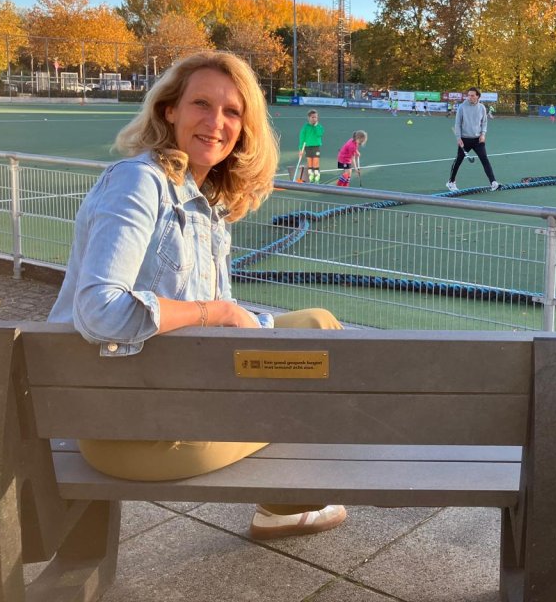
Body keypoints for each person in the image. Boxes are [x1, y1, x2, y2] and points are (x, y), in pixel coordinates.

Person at [47, 51, 347, 539]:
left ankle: (284, 504)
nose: (216, 122)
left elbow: (216, 329)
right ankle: (297, 499)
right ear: (170, 110)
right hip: (131, 433)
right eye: (201, 104)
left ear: (245, 127)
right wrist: (221, 310)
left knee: (317, 325)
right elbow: (100, 310)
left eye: (233, 112)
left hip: (171, 398)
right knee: (317, 402)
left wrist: (250, 323)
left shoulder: (206, 203)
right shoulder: (138, 182)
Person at [446, 87, 499, 192]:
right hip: (465, 139)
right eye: (468, 95)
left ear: (477, 96)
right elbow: (457, 124)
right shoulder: (462, 107)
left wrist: (483, 134)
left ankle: (493, 182)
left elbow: (484, 122)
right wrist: (458, 138)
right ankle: (451, 182)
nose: (469, 97)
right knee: (458, 161)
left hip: (478, 140)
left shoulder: (482, 107)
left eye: (472, 95)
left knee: (485, 159)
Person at [297, 109, 324, 182]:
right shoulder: (305, 127)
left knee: (316, 162)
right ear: (308, 118)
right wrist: (300, 149)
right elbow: (302, 138)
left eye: (316, 117)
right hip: (307, 147)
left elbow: (319, 134)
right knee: (309, 163)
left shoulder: (319, 127)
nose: (314, 119)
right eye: (313, 117)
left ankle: (317, 177)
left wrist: (315, 126)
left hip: (316, 147)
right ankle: (311, 177)